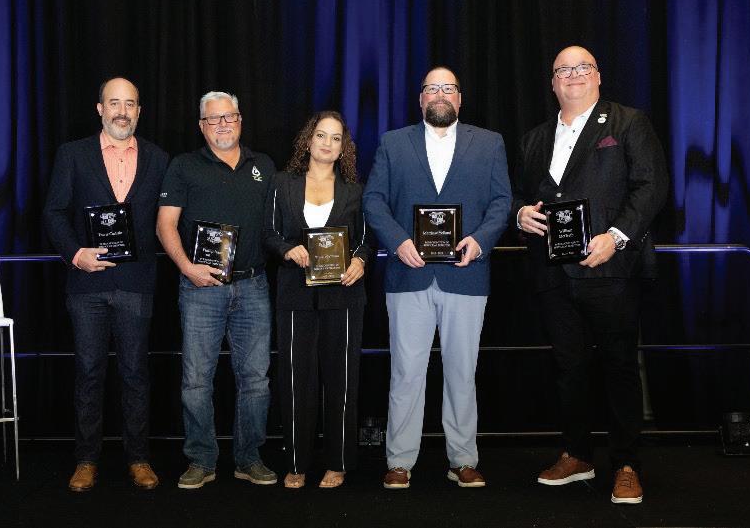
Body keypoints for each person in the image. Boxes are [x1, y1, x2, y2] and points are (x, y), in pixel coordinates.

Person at [512, 46, 668, 504]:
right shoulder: (534, 138)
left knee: (620, 366)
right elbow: (518, 194)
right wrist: (519, 214)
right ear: (552, 83)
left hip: (611, 270)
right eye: (563, 70)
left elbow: (651, 185)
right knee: (568, 368)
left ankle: (626, 464)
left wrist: (616, 237)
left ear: (598, 76)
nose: (573, 75)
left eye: (583, 67)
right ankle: (577, 454)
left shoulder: (628, 123)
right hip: (553, 275)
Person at [363, 66, 512, 489]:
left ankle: (463, 459)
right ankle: (399, 461)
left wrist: (481, 241)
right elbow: (373, 200)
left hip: (466, 275)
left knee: (462, 372)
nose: (440, 94)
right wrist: (397, 242)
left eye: (448, 88)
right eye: (432, 88)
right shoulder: (394, 143)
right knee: (406, 372)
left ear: (460, 98)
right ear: (421, 98)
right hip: (408, 275)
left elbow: (502, 202)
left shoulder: (490, 143)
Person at [43, 77, 168, 491]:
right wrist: (74, 253)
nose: (122, 111)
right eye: (114, 103)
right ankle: (86, 460)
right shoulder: (73, 154)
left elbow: (169, 219)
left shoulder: (158, 158)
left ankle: (139, 458)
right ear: (100, 109)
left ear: (139, 111)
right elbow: (54, 213)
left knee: (135, 373)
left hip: (136, 283)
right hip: (86, 283)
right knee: (89, 372)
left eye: (130, 104)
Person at [156, 91, 277, 489]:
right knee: (196, 380)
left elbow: (280, 222)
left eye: (229, 116)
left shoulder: (264, 166)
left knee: (256, 380)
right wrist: (187, 268)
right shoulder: (183, 166)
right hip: (200, 288)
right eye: (213, 118)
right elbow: (165, 225)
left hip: (253, 284)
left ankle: (249, 458)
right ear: (201, 125)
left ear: (240, 120)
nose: (222, 124)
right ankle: (201, 460)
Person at [263, 111, 374, 489]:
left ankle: (338, 462)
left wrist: (360, 260)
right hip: (295, 294)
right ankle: (296, 463)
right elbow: (269, 232)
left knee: (341, 381)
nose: (328, 144)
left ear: (344, 148)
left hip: (344, 295)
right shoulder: (282, 183)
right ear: (308, 140)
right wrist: (287, 249)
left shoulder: (355, 190)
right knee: (296, 380)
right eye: (321, 136)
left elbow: (366, 239)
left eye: (336, 138)